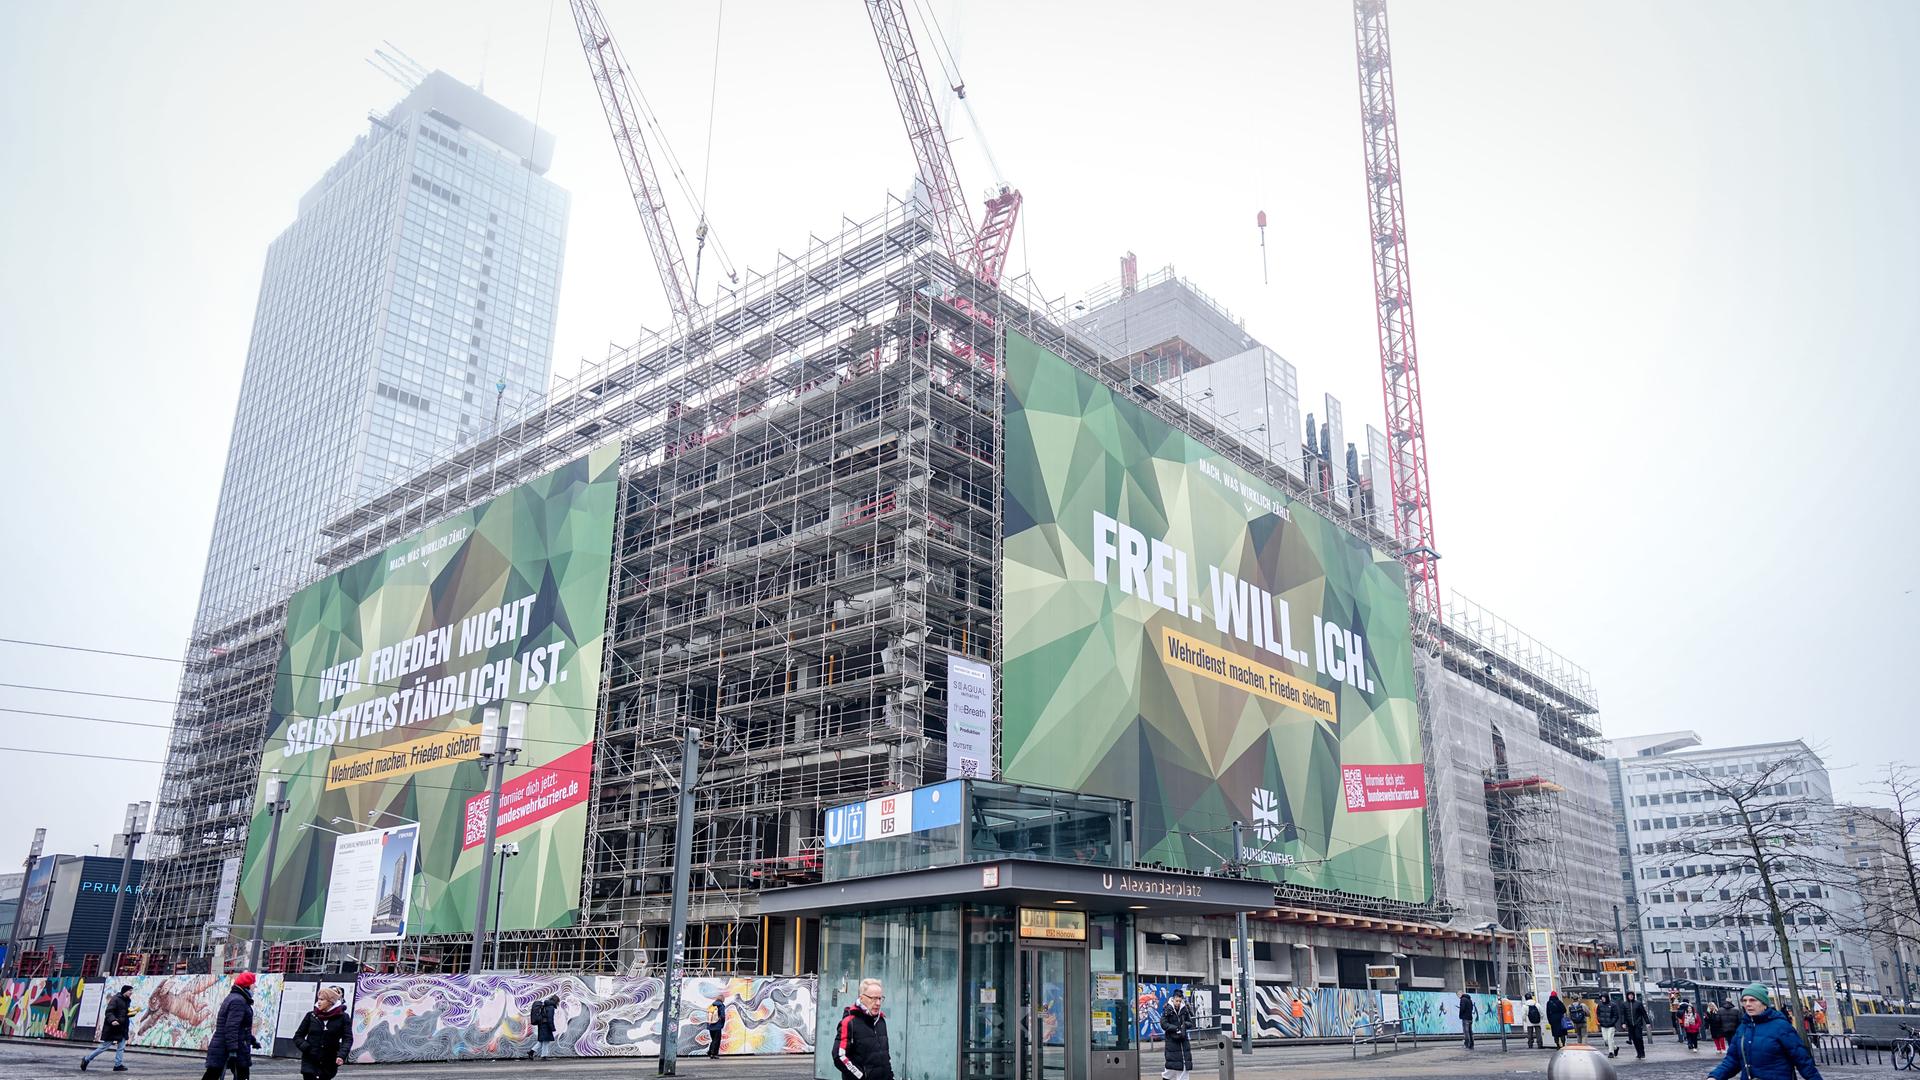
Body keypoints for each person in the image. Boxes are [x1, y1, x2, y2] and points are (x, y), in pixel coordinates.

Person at [1708, 983, 1825, 1080]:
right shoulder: (1743, 1028)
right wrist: (1715, 1076)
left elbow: (1803, 1061)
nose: (1748, 1004)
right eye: (1745, 1000)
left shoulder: (1781, 1026)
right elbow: (1733, 1059)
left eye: (1753, 1000)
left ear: (1764, 1003)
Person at [199, 972, 258, 1080]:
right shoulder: (238, 1001)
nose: (255, 987)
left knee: (213, 1073)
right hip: (230, 1047)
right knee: (218, 1074)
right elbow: (231, 1027)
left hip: (228, 1045)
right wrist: (233, 1049)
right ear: (247, 984)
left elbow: (240, 1027)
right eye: (253, 983)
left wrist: (252, 1040)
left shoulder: (236, 998)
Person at [834, 979, 892, 1080]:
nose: (878, 1003)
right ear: (861, 998)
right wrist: (860, 1076)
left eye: (880, 998)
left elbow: (885, 1056)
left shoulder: (881, 1021)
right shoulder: (849, 1022)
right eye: (873, 998)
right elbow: (839, 1056)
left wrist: (890, 1076)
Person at [291, 986, 352, 1080]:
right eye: (318, 999)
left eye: (322, 999)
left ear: (330, 1002)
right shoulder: (311, 1015)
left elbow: (347, 1038)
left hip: (329, 1061)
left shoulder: (343, 1017)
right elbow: (298, 1036)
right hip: (310, 1060)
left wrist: (342, 1055)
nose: (319, 1002)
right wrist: (306, 1047)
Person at [81, 985, 136, 1072]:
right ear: (125, 991)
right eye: (130, 991)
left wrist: (131, 1013)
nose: (131, 992)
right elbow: (109, 1011)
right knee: (104, 1046)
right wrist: (113, 1020)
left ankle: (118, 1065)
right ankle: (87, 1059)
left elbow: (124, 1012)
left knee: (121, 1047)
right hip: (113, 1027)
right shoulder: (115, 999)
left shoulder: (127, 1000)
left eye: (132, 991)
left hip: (122, 1027)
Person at [1159, 990, 1195, 1080]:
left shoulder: (1184, 1009)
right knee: (1172, 1067)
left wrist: (1185, 1025)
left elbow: (1190, 1023)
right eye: (1177, 1001)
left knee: (1182, 1066)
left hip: (1183, 1041)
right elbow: (1163, 1023)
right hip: (1172, 1041)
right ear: (1173, 999)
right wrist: (1175, 1028)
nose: (1178, 1003)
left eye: (1180, 1001)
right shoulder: (1168, 1009)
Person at [528, 994, 560, 1059]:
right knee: (546, 1041)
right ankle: (544, 1056)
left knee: (542, 1040)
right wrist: (552, 1028)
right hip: (546, 1025)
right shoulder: (551, 1007)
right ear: (555, 1001)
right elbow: (550, 1018)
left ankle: (531, 1052)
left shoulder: (545, 1005)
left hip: (542, 1025)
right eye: (558, 1002)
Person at [1624, 990, 1651, 1060]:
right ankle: (1638, 1053)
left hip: (1638, 1023)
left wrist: (1647, 1022)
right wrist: (1623, 1023)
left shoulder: (1638, 1003)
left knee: (1639, 1038)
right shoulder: (1625, 1004)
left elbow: (1644, 1013)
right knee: (1634, 1039)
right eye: (1629, 995)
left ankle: (1642, 1053)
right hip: (1630, 1024)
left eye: (1632, 995)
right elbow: (1623, 1014)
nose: (1631, 996)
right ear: (1627, 996)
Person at [1595, 993, 1620, 1058]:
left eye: (1603, 997)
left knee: (1609, 1038)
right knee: (1606, 1040)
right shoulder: (1600, 1005)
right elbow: (1598, 1014)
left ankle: (1611, 1052)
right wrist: (1600, 1020)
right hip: (1603, 1025)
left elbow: (1616, 1015)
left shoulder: (1613, 1005)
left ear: (1606, 997)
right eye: (1602, 997)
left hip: (1611, 1025)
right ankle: (1615, 1048)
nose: (1602, 998)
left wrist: (1612, 1022)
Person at [706, 991, 728, 1059]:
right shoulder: (721, 1005)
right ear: (722, 999)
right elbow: (722, 1016)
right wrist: (722, 1023)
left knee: (713, 1040)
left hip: (710, 1025)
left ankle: (710, 1052)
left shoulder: (712, 1005)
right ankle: (714, 1054)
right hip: (717, 1025)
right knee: (717, 1040)